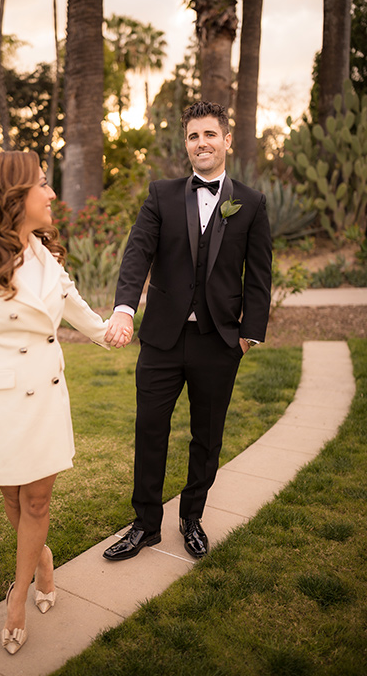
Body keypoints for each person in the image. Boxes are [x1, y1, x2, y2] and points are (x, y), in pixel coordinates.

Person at [0, 151, 131, 655]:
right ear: (15, 196)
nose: (52, 194)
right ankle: (40, 559)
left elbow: (75, 307)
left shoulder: (46, 253)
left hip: (45, 398)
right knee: (13, 498)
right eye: (44, 184)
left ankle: (18, 594)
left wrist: (111, 332)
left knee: (37, 499)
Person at [103, 101, 272, 560]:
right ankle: (145, 525)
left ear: (227, 140)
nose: (202, 143)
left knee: (208, 435)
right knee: (150, 429)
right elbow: (137, 253)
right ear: (186, 143)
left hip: (219, 341)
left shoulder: (251, 203)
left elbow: (258, 275)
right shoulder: (161, 194)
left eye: (210, 134)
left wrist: (248, 333)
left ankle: (192, 515)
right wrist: (123, 309)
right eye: (194, 136)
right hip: (161, 338)